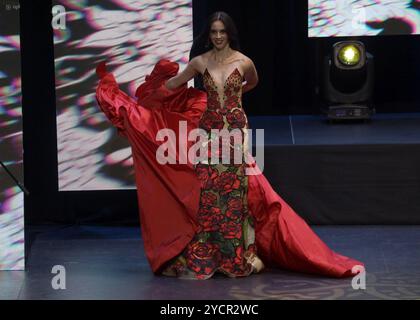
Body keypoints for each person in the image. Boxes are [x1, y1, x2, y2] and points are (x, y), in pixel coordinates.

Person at [95, 11, 364, 280]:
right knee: (210, 193)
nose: (218, 36)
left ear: (229, 34)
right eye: (214, 32)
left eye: (222, 31)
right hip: (209, 131)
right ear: (209, 35)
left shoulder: (244, 62)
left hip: (235, 130)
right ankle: (210, 254)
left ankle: (237, 256)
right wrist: (142, 104)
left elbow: (253, 82)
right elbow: (173, 85)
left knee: (236, 193)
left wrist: (235, 100)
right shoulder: (200, 62)